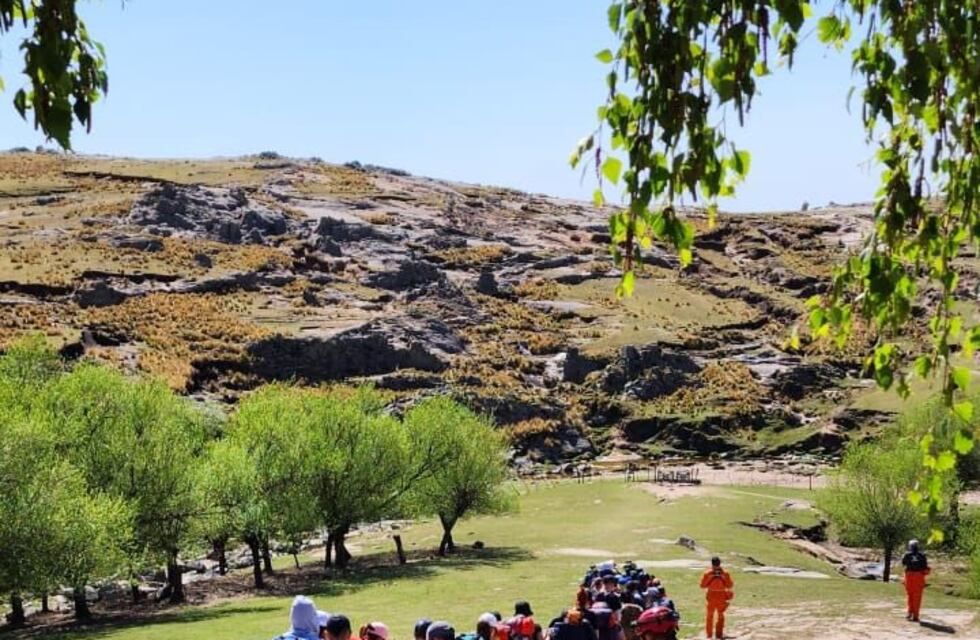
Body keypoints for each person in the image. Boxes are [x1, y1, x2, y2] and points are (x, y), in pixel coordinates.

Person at [699, 557, 733, 640]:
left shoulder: (707, 573)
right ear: (720, 563)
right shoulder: (725, 573)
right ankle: (718, 635)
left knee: (709, 615)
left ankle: (709, 635)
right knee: (721, 615)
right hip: (721, 595)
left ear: (712, 563)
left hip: (711, 595)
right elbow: (730, 585)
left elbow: (702, 586)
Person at [901, 539, 931, 622]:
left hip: (909, 577)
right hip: (919, 577)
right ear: (918, 546)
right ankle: (916, 616)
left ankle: (909, 613)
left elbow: (903, 563)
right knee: (917, 597)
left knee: (909, 595)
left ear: (910, 546)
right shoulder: (922, 555)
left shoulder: (906, 555)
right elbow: (925, 567)